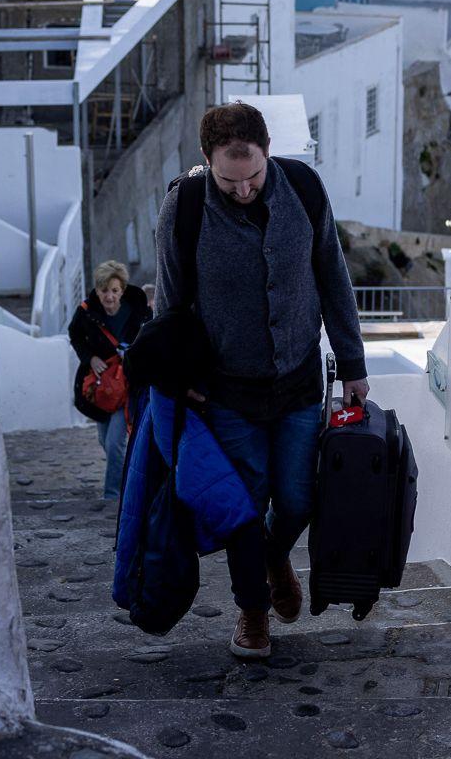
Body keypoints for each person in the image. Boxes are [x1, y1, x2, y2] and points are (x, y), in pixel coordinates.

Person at [155, 102, 369, 660]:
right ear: (207, 161)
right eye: (229, 180)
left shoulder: (302, 187)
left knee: (298, 499)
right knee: (243, 508)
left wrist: (353, 365)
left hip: (298, 382)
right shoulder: (185, 206)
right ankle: (252, 612)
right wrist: (180, 380)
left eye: (253, 176)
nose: (244, 189)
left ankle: (276, 558)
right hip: (226, 393)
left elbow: (333, 277)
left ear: (268, 151)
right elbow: (170, 306)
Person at [67, 260, 151, 500]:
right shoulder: (86, 312)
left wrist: (134, 355)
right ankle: (129, 477)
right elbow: (75, 335)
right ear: (98, 290)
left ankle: (114, 495)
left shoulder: (138, 309)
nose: (109, 297)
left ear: (122, 290)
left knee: (115, 443)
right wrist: (90, 357)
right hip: (101, 387)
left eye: (114, 291)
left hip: (127, 385)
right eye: (105, 291)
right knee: (106, 440)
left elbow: (151, 335)